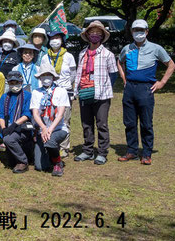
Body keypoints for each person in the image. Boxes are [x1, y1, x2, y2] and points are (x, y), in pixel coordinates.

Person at [117, 19, 175, 165]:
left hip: (146, 88)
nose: (138, 33)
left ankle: (147, 153)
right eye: (136, 30)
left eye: (141, 30)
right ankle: (132, 151)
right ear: (131, 32)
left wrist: (162, 83)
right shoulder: (127, 48)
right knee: (129, 122)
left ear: (147, 32)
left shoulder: (156, 48)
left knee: (146, 123)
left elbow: (171, 64)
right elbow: (119, 61)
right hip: (130, 88)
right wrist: (124, 79)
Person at [74, 21, 118, 165]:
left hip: (101, 95)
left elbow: (113, 74)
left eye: (98, 33)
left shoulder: (108, 54)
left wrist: (106, 88)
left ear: (102, 36)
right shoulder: (82, 54)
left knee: (102, 124)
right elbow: (79, 74)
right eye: (92, 32)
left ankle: (102, 152)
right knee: (86, 123)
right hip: (85, 92)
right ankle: (87, 150)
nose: (94, 35)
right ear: (87, 35)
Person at [41, 31, 76, 158]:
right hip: (48, 92)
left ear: (62, 40)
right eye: (52, 38)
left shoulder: (69, 56)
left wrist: (65, 86)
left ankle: (64, 148)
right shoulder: (45, 57)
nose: (55, 40)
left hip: (65, 91)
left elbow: (73, 74)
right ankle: (49, 142)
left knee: (64, 120)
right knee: (48, 118)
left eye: (57, 38)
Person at [31, 63, 70, 177]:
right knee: (40, 166)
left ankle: (57, 162)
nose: (46, 78)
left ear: (53, 77)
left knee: (50, 141)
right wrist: (43, 128)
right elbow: (35, 113)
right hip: (42, 130)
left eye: (48, 75)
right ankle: (50, 153)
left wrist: (50, 129)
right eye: (43, 75)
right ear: (40, 78)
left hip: (58, 128)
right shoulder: (36, 92)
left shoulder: (61, 91)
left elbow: (60, 114)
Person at [0, 71, 33, 173]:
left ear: (21, 82)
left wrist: (14, 125)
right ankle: (17, 158)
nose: (14, 85)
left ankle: (23, 162)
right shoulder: (4, 97)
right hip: (8, 128)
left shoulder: (27, 95)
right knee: (10, 162)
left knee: (8, 139)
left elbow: (27, 114)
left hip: (22, 128)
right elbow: (0, 115)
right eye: (11, 83)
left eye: (16, 82)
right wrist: (4, 128)